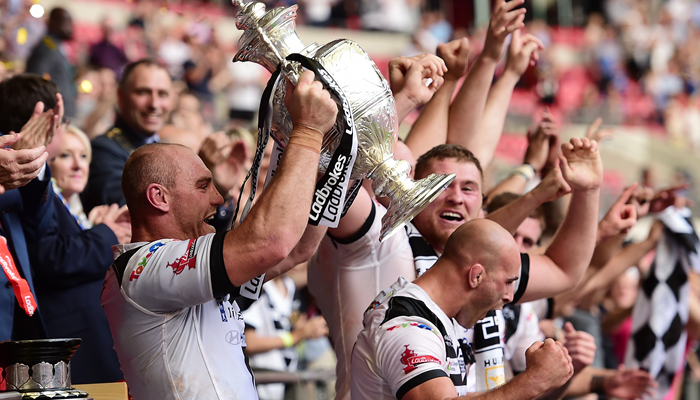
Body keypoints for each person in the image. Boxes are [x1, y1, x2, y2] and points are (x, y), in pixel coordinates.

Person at [101, 70, 336, 399]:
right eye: (203, 186)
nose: (217, 198)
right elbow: (272, 242)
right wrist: (308, 133)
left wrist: (338, 162)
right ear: (159, 197)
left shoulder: (192, 270)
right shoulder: (141, 268)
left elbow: (298, 248)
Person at [310, 136, 603, 398]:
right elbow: (329, 173)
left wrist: (588, 191)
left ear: (482, 205)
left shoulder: (489, 268)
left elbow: (564, 269)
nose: (456, 197)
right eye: (442, 184)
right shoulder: (382, 237)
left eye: (469, 188)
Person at [351, 219, 575, 400]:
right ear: (476, 276)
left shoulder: (436, 315)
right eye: (507, 282)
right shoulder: (407, 327)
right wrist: (534, 380)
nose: (509, 296)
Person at [25, 124, 129, 384]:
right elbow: (53, 258)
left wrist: (97, 230)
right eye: (65, 155)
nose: (77, 165)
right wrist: (106, 233)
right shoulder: (42, 203)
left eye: (83, 156)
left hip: (101, 337)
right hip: (73, 343)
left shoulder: (87, 212)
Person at [0, 74, 63, 341]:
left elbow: (34, 229)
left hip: (16, 320)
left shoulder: (7, 157)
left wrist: (31, 168)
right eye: (64, 123)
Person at [81, 59, 172, 212]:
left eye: (162, 94)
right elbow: (138, 211)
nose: (154, 104)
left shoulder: (166, 148)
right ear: (121, 96)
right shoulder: (102, 150)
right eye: (143, 92)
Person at [25, 8, 76, 118]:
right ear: (52, 22)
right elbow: (35, 80)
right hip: (54, 113)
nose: (69, 27)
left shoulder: (55, 46)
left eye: (70, 22)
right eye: (65, 21)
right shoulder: (47, 47)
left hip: (62, 111)